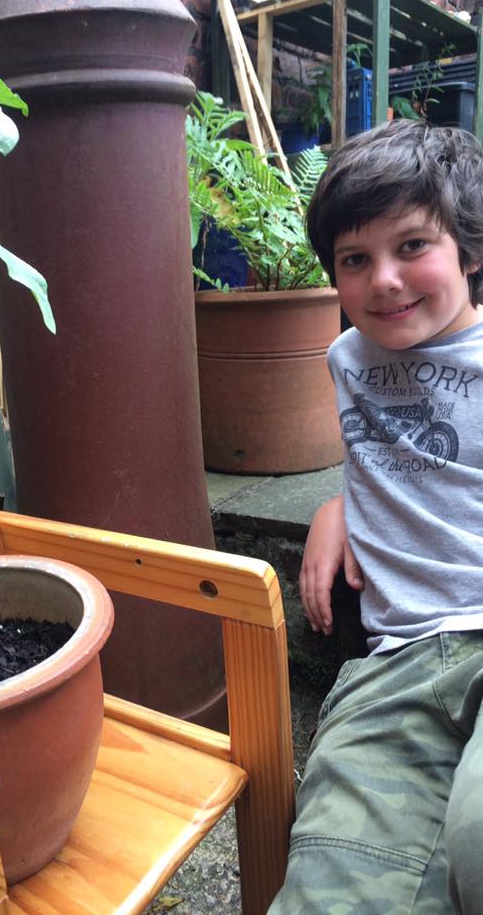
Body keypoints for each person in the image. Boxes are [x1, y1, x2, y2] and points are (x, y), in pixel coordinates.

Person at [269, 119, 483, 914]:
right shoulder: (350, 358)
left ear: (470, 250)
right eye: (355, 259)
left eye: (412, 246)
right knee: (330, 882)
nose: (384, 280)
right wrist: (339, 503)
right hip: (400, 663)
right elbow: (387, 453)